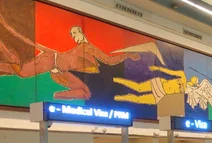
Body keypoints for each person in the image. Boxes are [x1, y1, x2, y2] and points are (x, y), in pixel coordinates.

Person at [0, 22, 141, 99]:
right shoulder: (82, 47)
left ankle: (54, 98)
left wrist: (127, 55)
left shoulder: (87, 47)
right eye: (72, 34)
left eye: (75, 33)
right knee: (22, 73)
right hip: (51, 61)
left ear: (81, 33)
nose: (74, 37)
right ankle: (4, 48)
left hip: (59, 71)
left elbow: (109, 60)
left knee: (86, 92)